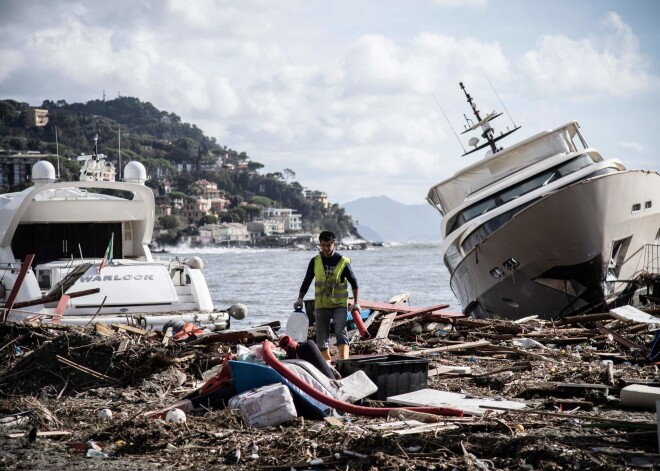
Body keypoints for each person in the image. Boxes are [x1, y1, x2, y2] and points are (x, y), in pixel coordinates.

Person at [295, 230, 359, 361]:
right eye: (323, 245)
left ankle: (343, 362)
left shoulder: (342, 261)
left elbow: (354, 282)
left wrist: (357, 303)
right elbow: (307, 281)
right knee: (321, 338)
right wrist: (300, 299)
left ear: (334, 244)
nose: (325, 248)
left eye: (328, 245)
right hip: (322, 306)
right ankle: (328, 366)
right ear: (320, 244)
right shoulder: (315, 261)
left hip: (339, 305)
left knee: (341, 333)